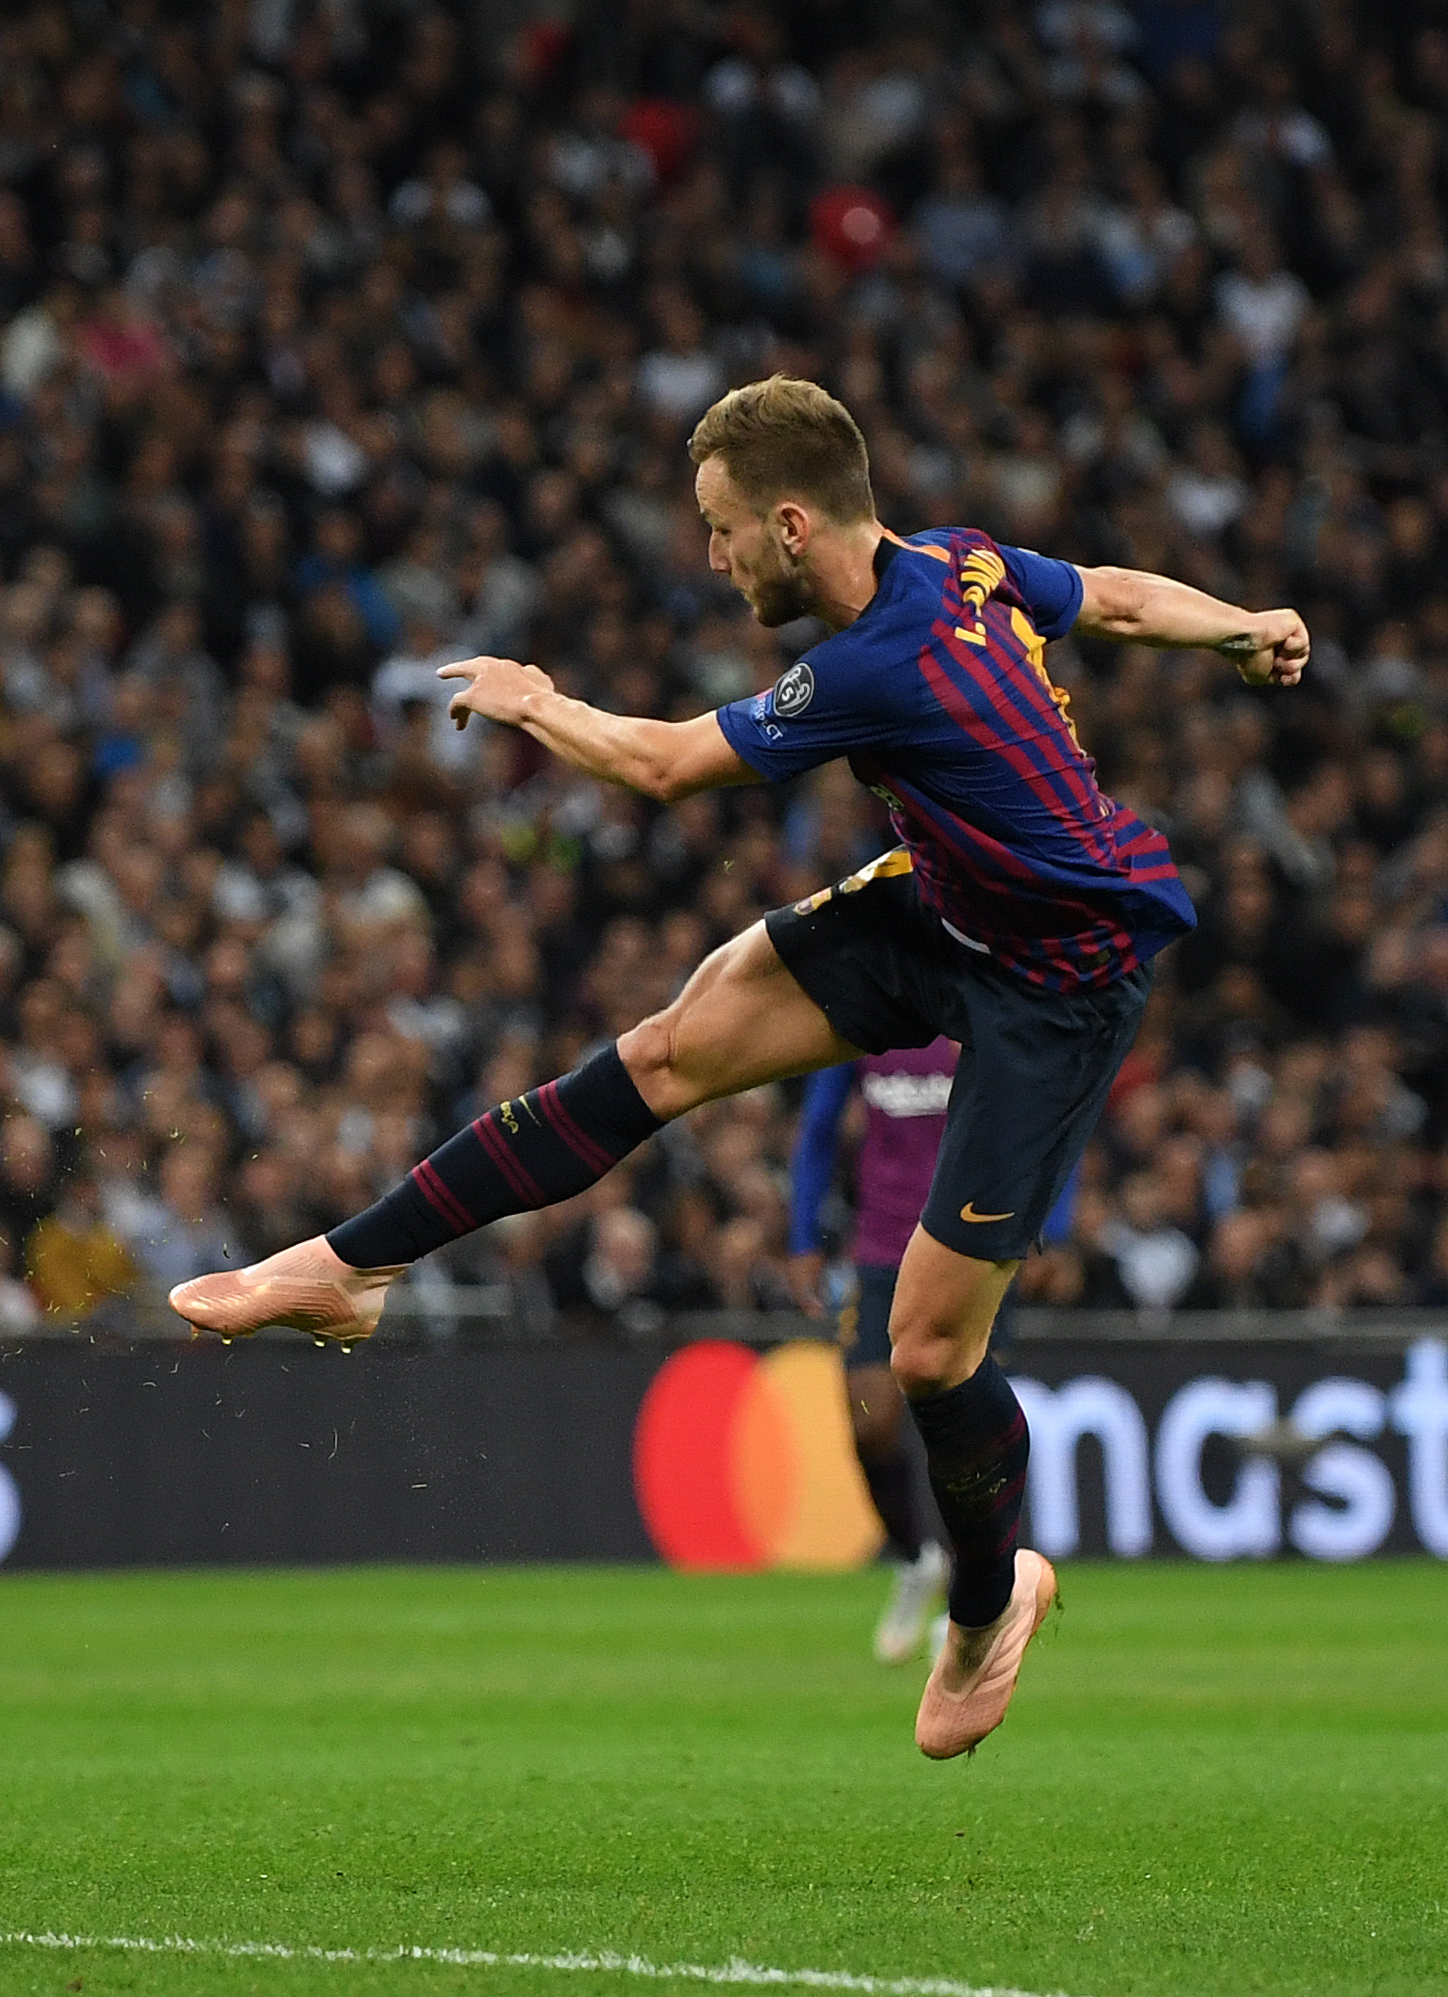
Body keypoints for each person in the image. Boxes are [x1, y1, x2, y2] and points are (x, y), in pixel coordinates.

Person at [173, 375, 1307, 1759]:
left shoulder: (878, 661)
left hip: (1057, 980)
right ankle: (351, 1266)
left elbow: (659, 767)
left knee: (928, 1353)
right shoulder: (959, 558)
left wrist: (536, 701)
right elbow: (1117, 600)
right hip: (941, 905)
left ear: (787, 522)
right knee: (662, 1052)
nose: (709, 558)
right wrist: (1241, 629)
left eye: (719, 530)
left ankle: (990, 1593)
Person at [788, 1038, 1080, 1666]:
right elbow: (816, 1127)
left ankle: (965, 1598)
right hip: (880, 1255)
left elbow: (1052, 1108)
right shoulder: (869, 1020)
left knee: (964, 1430)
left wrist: (1052, 1228)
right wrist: (803, 1235)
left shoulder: (981, 1017)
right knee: (868, 1420)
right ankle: (916, 1559)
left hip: (970, 1249)